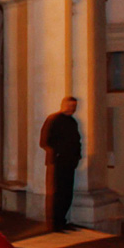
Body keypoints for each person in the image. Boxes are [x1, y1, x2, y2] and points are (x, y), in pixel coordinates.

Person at [39, 96, 81, 231]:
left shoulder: (73, 122)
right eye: (69, 106)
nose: (71, 109)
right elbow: (45, 141)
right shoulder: (54, 119)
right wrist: (57, 153)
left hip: (70, 162)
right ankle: (55, 223)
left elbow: (76, 141)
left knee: (67, 192)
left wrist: (76, 157)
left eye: (74, 107)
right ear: (63, 105)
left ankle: (62, 221)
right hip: (58, 162)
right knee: (57, 192)